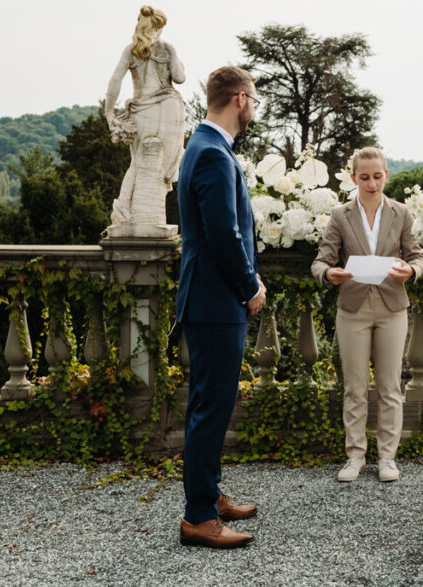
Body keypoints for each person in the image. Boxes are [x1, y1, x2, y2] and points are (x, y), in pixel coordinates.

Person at [175, 66, 267, 549]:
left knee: (208, 403)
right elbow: (223, 234)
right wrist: (249, 285)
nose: (254, 105)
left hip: (208, 299)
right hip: (214, 301)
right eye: (253, 97)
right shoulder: (211, 154)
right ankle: (198, 518)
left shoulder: (204, 147)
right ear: (239, 99)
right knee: (211, 408)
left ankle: (207, 497)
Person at [310, 147, 423, 483]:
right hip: (353, 308)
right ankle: (355, 456)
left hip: (392, 308)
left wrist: (411, 271)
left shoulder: (402, 213)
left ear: (386, 175)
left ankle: (387, 457)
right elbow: (320, 262)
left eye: (377, 176)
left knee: (390, 386)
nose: (372, 183)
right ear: (353, 177)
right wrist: (330, 274)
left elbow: (416, 257)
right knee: (355, 387)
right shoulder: (340, 215)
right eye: (364, 177)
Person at [104, 5, 187, 230]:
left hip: (143, 110)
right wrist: (180, 65)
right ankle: (145, 219)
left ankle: (123, 213)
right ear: (158, 27)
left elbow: (115, 81)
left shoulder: (131, 50)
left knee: (138, 162)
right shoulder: (167, 48)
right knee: (163, 167)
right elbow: (179, 78)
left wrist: (108, 111)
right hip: (168, 109)